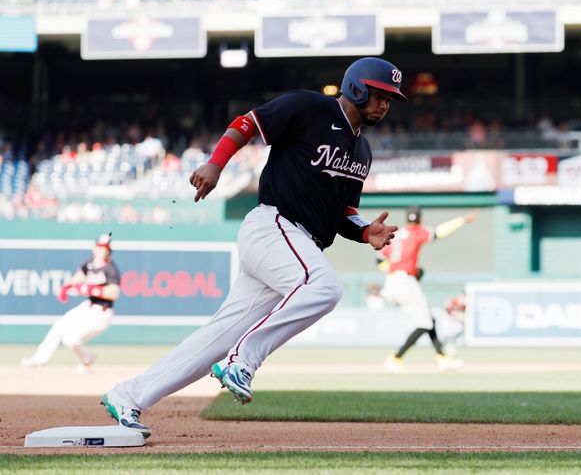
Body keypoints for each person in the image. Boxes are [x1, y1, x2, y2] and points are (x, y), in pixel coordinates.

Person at [100, 57, 406, 438]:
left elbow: (344, 212)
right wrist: (216, 164)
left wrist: (364, 233)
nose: (385, 105)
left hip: (293, 245)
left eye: (390, 99)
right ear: (357, 88)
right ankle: (244, 359)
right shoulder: (311, 106)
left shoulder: (363, 152)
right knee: (326, 287)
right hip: (273, 225)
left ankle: (129, 395)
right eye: (379, 95)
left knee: (216, 337)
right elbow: (247, 123)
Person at [380, 207, 477, 373]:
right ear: (419, 219)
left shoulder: (397, 235)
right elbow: (438, 233)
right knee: (424, 322)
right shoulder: (416, 230)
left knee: (429, 320)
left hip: (392, 281)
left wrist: (396, 269)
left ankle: (442, 358)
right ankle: (395, 358)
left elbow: (380, 260)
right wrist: (462, 220)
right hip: (405, 281)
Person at [21, 234, 120, 371]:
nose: (101, 250)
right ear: (94, 247)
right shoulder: (90, 263)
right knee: (58, 326)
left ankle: (87, 357)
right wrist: (67, 287)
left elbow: (114, 293)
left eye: (104, 248)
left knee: (70, 339)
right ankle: (39, 360)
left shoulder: (111, 269)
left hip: (102, 312)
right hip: (88, 306)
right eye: (99, 247)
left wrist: (91, 289)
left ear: (109, 250)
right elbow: (79, 277)